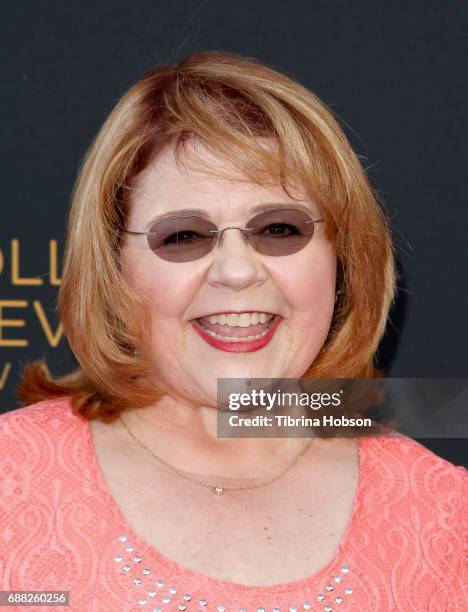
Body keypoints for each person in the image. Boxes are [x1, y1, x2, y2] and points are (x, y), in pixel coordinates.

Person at [1, 50, 465, 612]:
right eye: (183, 237)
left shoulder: (445, 516)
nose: (237, 272)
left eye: (277, 228)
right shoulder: (10, 480)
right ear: (114, 267)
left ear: (341, 256)